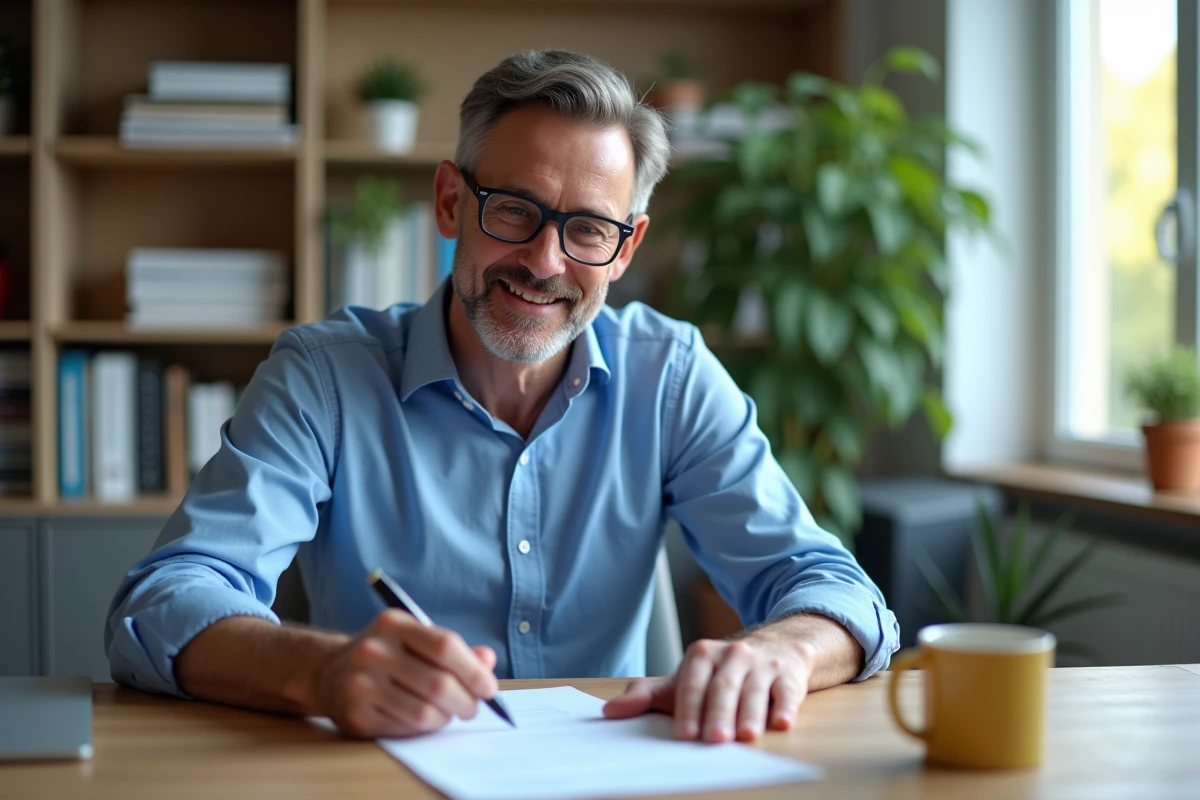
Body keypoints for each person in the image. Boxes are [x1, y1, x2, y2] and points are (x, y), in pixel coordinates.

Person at [105, 49, 900, 745]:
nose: (546, 262)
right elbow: (164, 603)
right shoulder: (326, 378)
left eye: (589, 229)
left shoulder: (671, 376)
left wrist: (779, 651)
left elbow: (836, 591)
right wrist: (322, 671)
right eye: (516, 210)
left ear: (628, 248)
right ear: (452, 202)